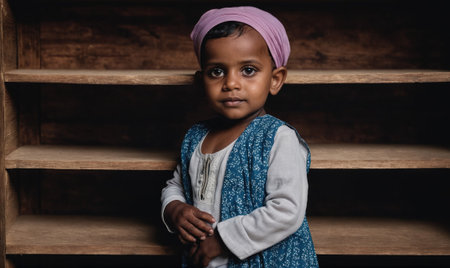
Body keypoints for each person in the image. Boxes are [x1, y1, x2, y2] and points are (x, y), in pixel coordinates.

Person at [161, 6, 318, 268]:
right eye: (217, 71)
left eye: (248, 70)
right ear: (201, 83)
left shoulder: (278, 138)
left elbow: (287, 211)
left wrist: (222, 239)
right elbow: (177, 184)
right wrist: (174, 209)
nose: (231, 83)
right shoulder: (196, 137)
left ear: (275, 79)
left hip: (265, 261)